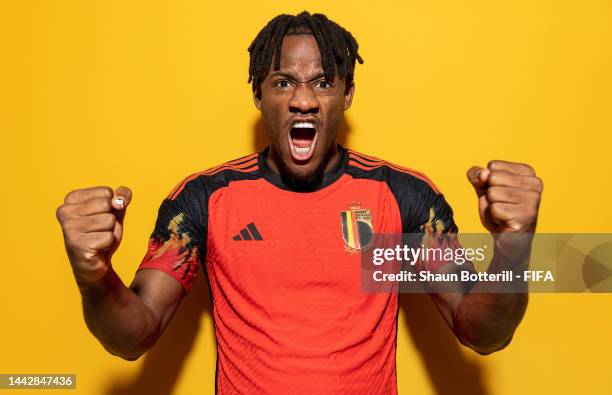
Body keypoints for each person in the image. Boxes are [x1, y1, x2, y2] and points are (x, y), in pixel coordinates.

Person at [56, 11, 543, 394]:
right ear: (258, 94)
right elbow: (134, 335)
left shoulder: (401, 195)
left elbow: (482, 331)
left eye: (324, 82)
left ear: (347, 94)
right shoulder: (205, 199)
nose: (303, 100)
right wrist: (93, 275)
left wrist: (515, 247)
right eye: (284, 82)